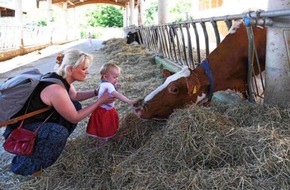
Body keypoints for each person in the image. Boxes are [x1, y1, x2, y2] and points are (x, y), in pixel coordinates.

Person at [2, 49, 114, 176]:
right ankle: (28, 166)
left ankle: (49, 148)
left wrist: (95, 92)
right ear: (70, 69)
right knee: (58, 133)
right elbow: (74, 118)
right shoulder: (56, 89)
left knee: (75, 105)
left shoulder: (60, 78)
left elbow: (75, 96)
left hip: (36, 124)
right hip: (21, 133)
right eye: (84, 69)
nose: (87, 72)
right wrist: (99, 102)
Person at [86, 63, 136, 147]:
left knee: (101, 126)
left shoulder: (104, 83)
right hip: (104, 112)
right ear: (105, 77)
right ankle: (101, 144)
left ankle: (101, 140)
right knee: (104, 127)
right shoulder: (108, 85)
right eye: (114, 77)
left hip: (102, 109)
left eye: (117, 77)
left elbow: (109, 87)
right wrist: (128, 101)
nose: (116, 79)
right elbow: (116, 94)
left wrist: (115, 85)